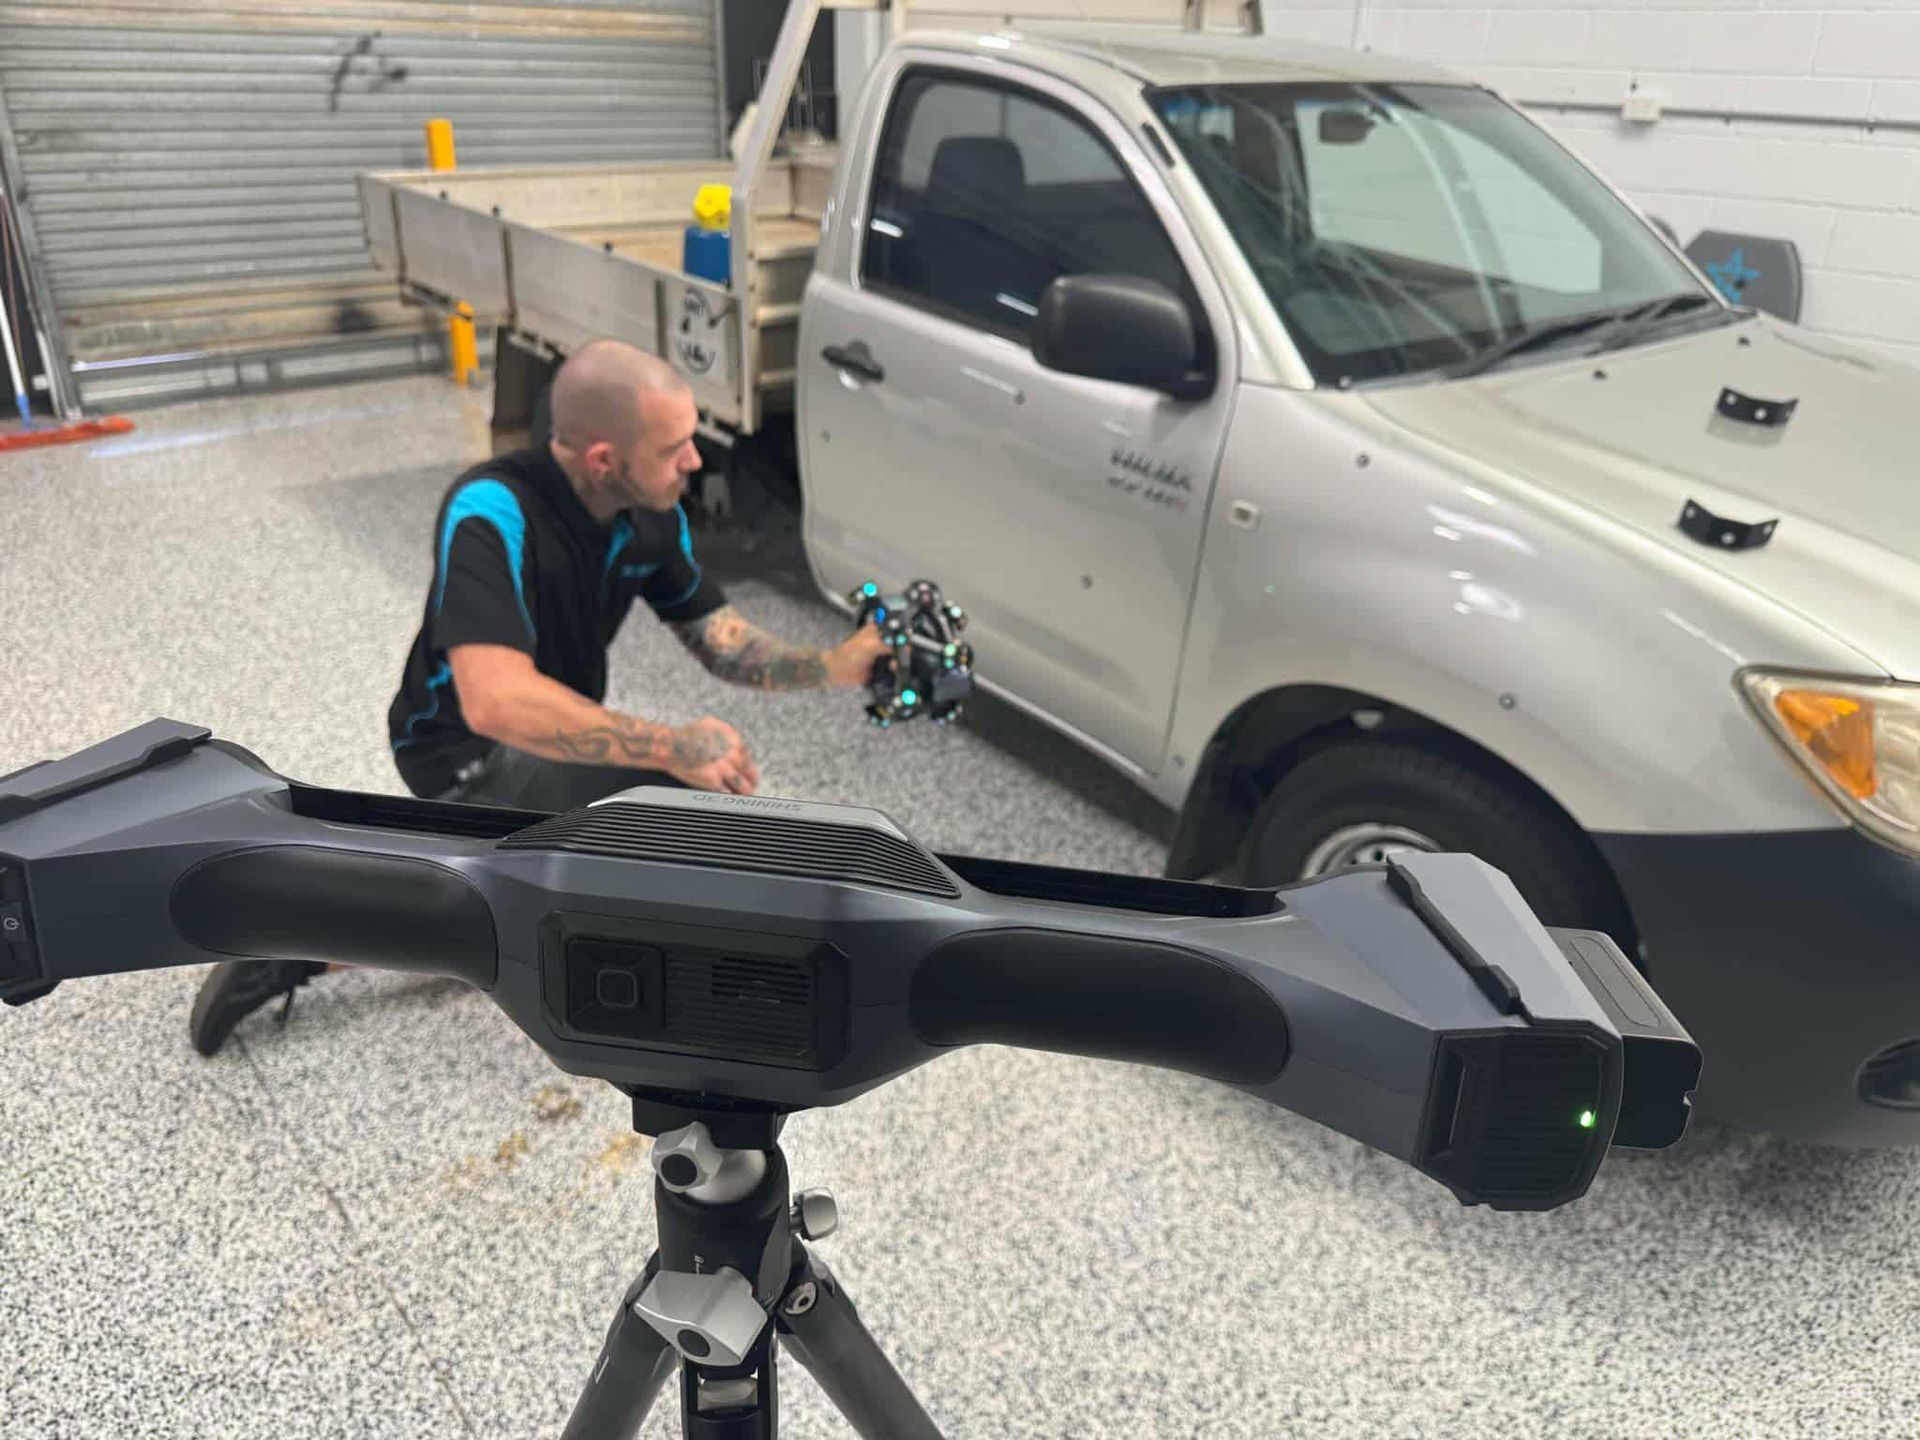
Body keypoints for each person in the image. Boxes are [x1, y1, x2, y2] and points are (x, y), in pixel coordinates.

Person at [188, 340, 888, 1056]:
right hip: (459, 749)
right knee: (665, 813)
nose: (695, 463)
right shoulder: (491, 510)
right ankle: (297, 942)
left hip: (548, 732)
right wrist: (673, 745)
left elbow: (723, 642)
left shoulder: (652, 514)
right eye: (674, 447)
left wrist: (838, 664)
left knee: (569, 868)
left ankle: (492, 909)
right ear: (603, 461)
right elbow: (496, 702)